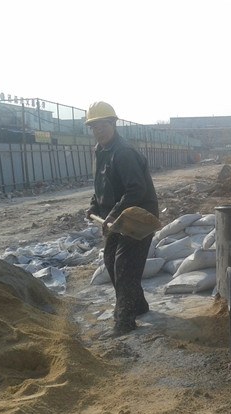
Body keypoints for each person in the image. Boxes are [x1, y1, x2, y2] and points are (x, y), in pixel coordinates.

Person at [84, 101, 159, 337]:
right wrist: (94, 205)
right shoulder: (100, 150)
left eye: (102, 126)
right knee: (110, 259)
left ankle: (125, 322)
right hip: (117, 218)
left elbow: (136, 189)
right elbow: (102, 185)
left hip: (138, 217)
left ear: (114, 124)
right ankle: (138, 305)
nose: (98, 131)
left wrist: (115, 212)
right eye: (93, 127)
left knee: (124, 265)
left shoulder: (123, 152)